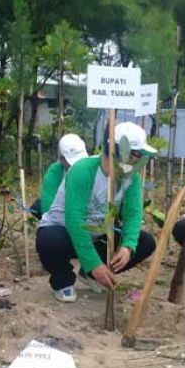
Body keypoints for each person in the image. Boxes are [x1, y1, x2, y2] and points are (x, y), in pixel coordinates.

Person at [36, 122, 156, 302]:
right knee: (49, 240)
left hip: (98, 234)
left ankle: (89, 275)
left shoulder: (132, 178)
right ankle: (63, 281)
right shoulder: (83, 170)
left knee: (145, 242)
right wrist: (94, 263)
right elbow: (74, 220)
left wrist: (127, 246)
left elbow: (133, 213)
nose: (138, 160)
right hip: (64, 232)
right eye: (136, 154)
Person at [30, 133, 89, 219]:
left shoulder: (91, 168)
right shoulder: (54, 172)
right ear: (61, 159)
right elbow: (48, 206)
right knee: (37, 207)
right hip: (63, 212)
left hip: (86, 213)